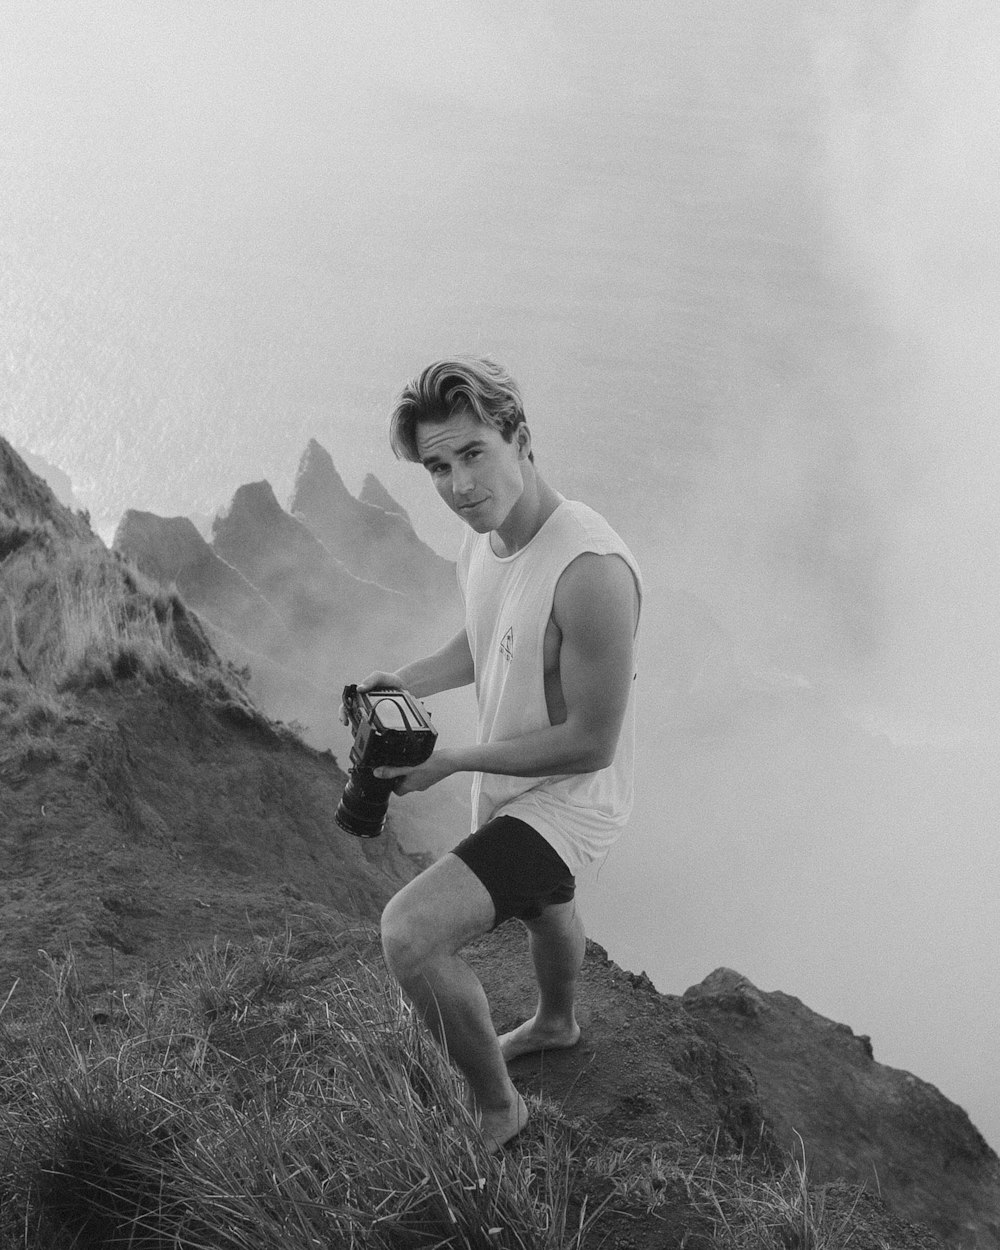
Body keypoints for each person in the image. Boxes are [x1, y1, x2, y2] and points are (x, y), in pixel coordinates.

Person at [346, 356, 642, 1150]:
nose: (457, 484)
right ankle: (556, 1023)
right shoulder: (482, 545)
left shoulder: (592, 573)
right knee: (546, 903)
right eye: (438, 466)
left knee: (410, 934)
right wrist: (407, 678)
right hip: (521, 779)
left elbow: (591, 742)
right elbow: (485, 642)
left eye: (473, 453)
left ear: (521, 438)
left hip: (572, 797)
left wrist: (453, 761)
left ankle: (498, 1109)